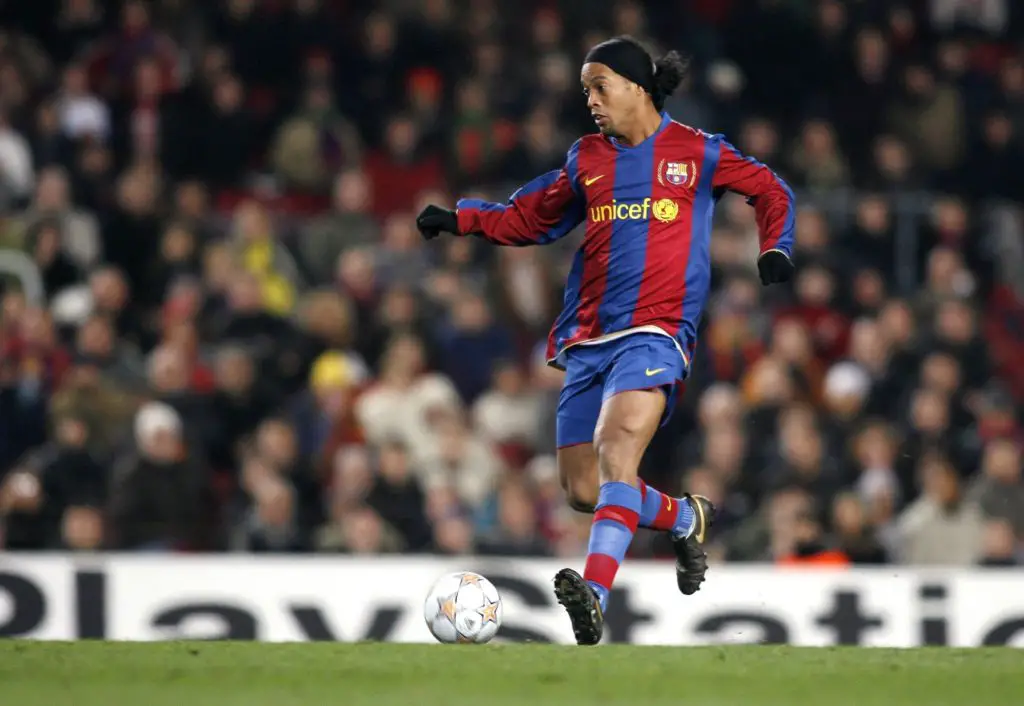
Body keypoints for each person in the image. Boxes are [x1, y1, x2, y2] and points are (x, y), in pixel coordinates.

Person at [416, 36, 795, 645]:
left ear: (637, 87)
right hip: (589, 340)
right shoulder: (586, 158)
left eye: (600, 86)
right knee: (583, 489)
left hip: (658, 333)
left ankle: (594, 595)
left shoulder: (698, 151)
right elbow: (530, 217)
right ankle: (683, 516)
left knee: (617, 450)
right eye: (585, 90)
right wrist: (462, 219)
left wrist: (775, 246)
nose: (590, 100)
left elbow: (771, 188)